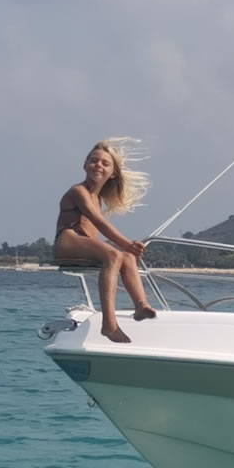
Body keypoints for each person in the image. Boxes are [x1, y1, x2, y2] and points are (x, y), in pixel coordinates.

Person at [54, 138, 157, 343]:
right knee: (114, 253)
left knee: (127, 257)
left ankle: (140, 305)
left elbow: (98, 228)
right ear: (85, 164)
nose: (98, 165)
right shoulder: (79, 191)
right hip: (67, 241)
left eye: (105, 163)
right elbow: (98, 222)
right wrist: (126, 243)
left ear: (113, 173)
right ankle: (109, 324)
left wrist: (128, 249)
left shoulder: (98, 198)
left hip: (82, 244)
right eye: (94, 160)